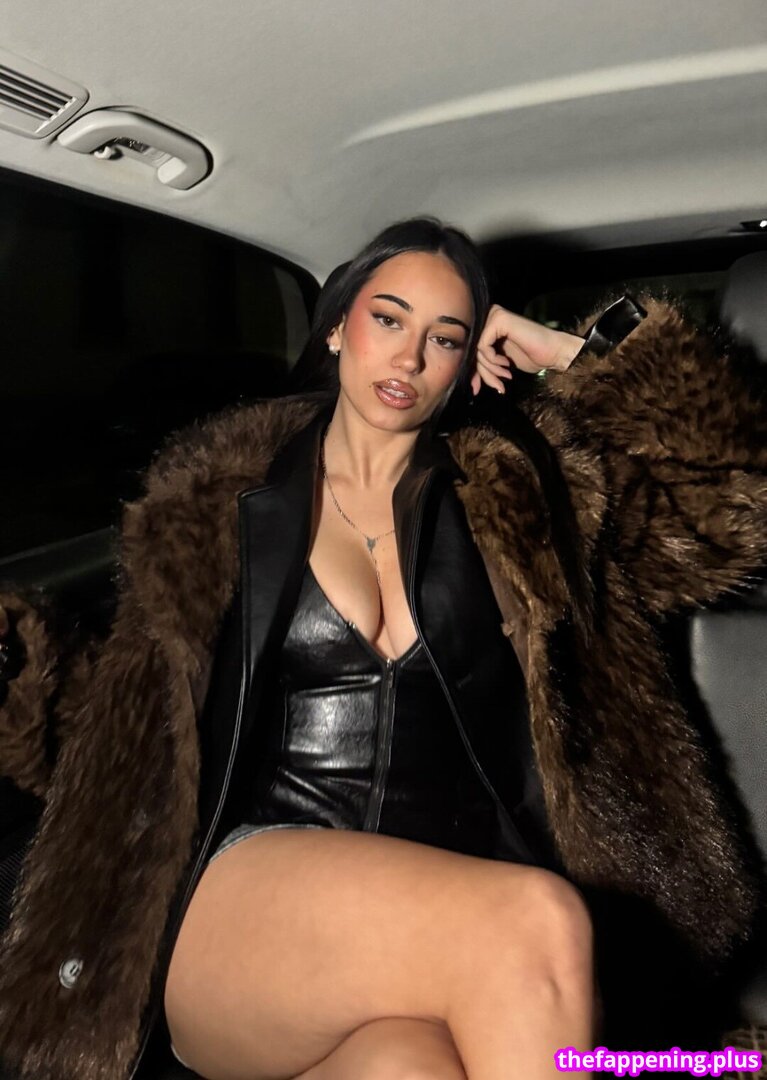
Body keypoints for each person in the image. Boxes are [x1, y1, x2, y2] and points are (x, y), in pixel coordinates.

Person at [0, 215, 765, 1080]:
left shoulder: (528, 501)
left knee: (406, 1065)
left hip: (459, 890)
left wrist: (568, 351)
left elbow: (733, 506)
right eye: (388, 319)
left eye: (444, 336)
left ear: (469, 360)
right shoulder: (213, 503)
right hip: (251, 902)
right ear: (336, 326)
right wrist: (17, 663)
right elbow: (124, 720)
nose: (408, 357)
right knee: (537, 920)